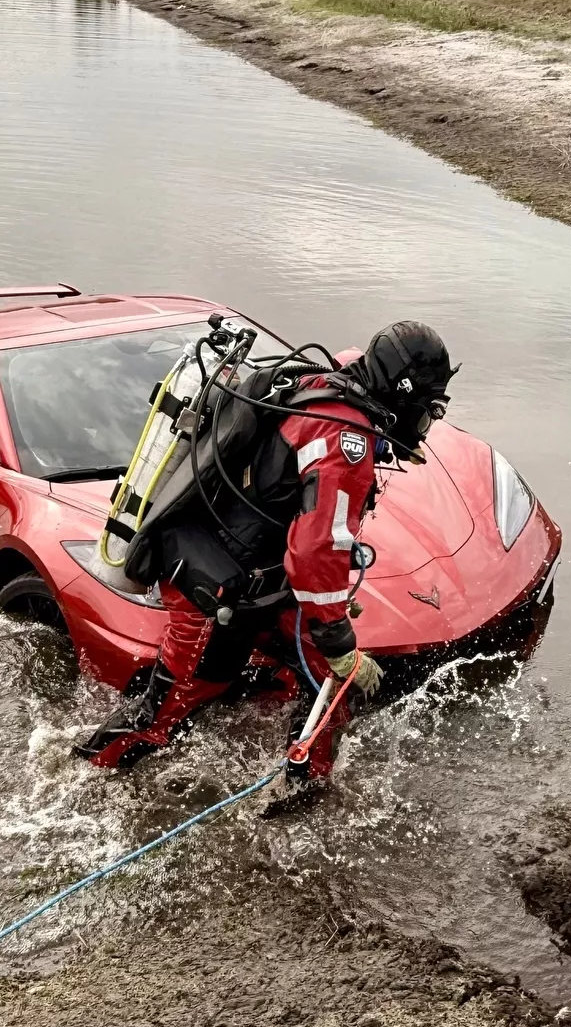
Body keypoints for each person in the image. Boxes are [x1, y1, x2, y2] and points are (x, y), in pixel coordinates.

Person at [73, 320, 457, 798]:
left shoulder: (322, 386)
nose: (427, 424)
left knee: (333, 686)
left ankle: (298, 794)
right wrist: (338, 639)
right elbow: (317, 550)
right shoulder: (345, 438)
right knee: (170, 704)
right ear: (406, 394)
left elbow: (310, 536)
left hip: (262, 577)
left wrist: (332, 618)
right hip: (214, 588)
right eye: (430, 409)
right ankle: (82, 780)